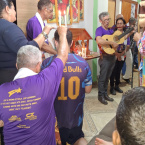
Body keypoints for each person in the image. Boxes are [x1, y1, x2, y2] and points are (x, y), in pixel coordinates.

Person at [0, 25, 68, 144]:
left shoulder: (2, 90)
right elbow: (62, 56)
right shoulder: (46, 81)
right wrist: (63, 33)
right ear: (38, 65)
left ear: (17, 65)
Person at [0, 0, 53, 144]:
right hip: (11, 80)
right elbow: (29, 50)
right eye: (14, 9)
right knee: (17, 119)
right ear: (7, 8)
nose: (16, 12)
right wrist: (46, 32)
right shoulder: (8, 27)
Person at [42, 29, 92, 145]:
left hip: (55, 119)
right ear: (71, 43)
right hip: (75, 117)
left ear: (55, 42)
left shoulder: (47, 64)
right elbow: (88, 89)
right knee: (78, 139)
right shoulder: (83, 63)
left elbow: (43, 91)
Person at [95, 12, 118, 105]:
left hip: (112, 57)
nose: (108, 21)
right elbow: (99, 40)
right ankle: (100, 96)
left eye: (108, 19)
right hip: (104, 57)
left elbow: (116, 40)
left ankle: (105, 94)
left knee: (107, 77)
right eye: (105, 20)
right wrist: (112, 43)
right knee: (102, 77)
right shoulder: (99, 30)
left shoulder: (110, 31)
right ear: (100, 21)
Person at [110, 18, 130, 95]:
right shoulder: (113, 33)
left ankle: (117, 85)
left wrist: (121, 54)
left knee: (118, 71)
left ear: (124, 25)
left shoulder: (126, 34)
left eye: (121, 23)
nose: (119, 25)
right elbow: (111, 45)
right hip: (114, 55)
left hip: (122, 55)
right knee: (113, 71)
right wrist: (117, 54)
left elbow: (127, 45)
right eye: (118, 23)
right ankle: (111, 87)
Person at [122, 18, 137, 84]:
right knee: (120, 63)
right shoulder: (126, 27)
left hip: (129, 48)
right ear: (131, 23)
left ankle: (126, 77)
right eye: (134, 24)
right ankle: (118, 79)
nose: (135, 26)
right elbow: (124, 37)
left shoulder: (132, 28)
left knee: (130, 62)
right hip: (123, 48)